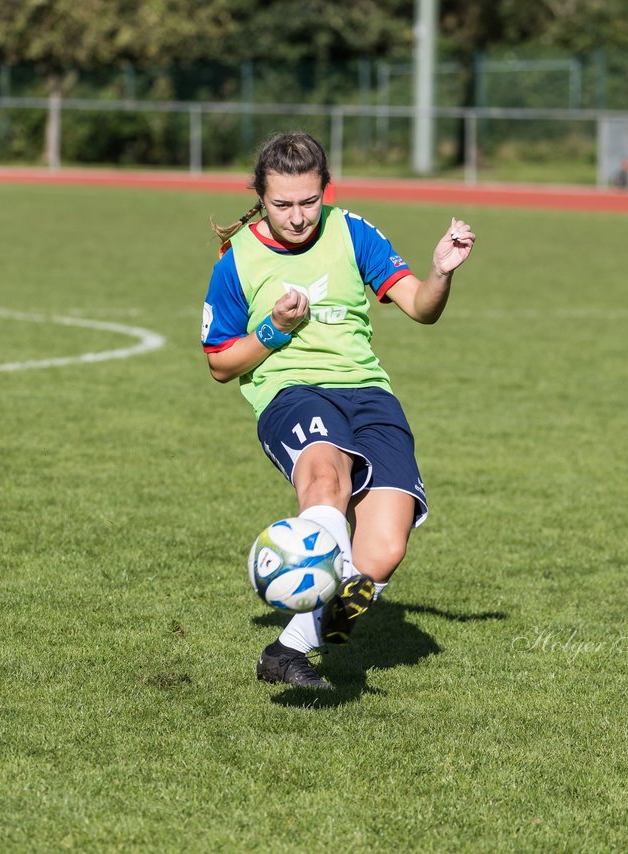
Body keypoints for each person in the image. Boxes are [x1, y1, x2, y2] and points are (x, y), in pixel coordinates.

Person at [200, 130, 475, 690]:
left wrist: (442, 271)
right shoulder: (240, 259)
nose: (298, 217)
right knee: (327, 475)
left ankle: (289, 647)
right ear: (260, 195)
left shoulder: (353, 233)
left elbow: (421, 309)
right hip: (291, 391)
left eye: (309, 201)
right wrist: (276, 329)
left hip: (369, 394)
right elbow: (221, 363)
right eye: (282, 205)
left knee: (384, 548)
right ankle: (304, 577)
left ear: (326, 189)